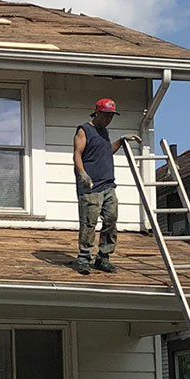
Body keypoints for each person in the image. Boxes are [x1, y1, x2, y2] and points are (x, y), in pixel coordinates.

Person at [72, 98, 120, 274]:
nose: (109, 119)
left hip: (108, 184)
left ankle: (103, 258)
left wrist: (120, 142)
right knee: (89, 223)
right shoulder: (84, 130)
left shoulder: (104, 133)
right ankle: (84, 258)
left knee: (110, 220)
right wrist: (83, 174)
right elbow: (77, 154)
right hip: (91, 186)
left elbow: (107, 152)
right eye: (107, 115)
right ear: (98, 113)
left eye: (112, 116)